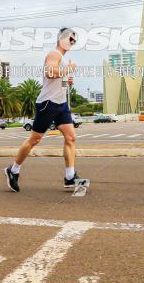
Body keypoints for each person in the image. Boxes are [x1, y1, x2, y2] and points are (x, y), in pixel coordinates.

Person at [5, 27, 85, 192]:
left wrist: (66, 83)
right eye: (70, 39)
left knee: (71, 137)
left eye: (74, 41)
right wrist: (67, 70)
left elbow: (57, 81)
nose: (72, 43)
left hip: (61, 104)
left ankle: (70, 177)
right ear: (61, 38)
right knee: (34, 140)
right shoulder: (54, 54)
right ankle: (13, 170)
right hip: (48, 103)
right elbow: (50, 73)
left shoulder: (61, 58)